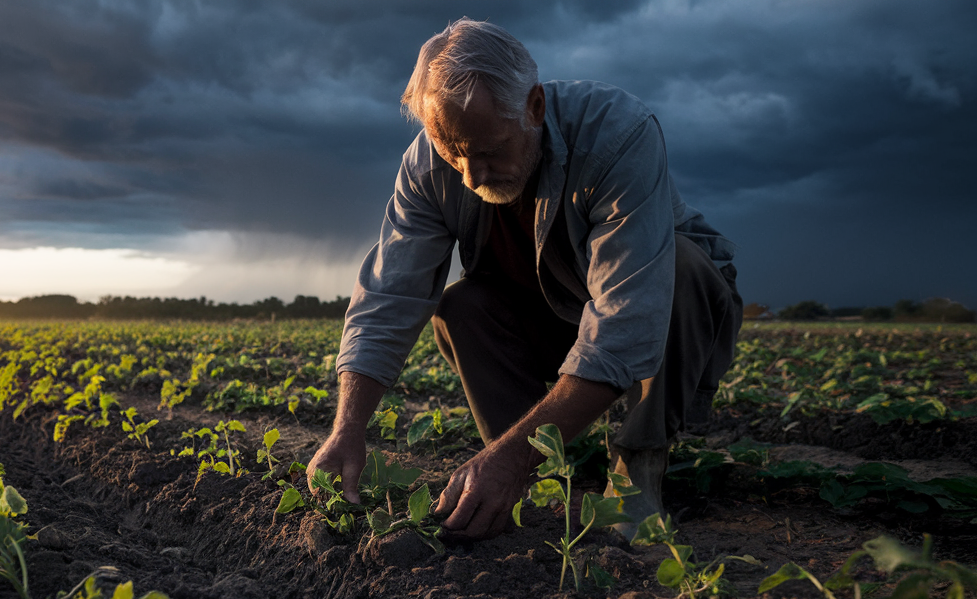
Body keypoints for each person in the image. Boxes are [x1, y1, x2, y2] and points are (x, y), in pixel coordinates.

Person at [306, 18, 742, 542]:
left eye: (489, 150)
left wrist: (506, 462)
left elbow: (627, 318)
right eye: (454, 152)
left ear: (533, 106)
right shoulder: (428, 168)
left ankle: (635, 471)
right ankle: (530, 463)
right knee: (462, 306)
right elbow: (388, 296)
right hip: (551, 318)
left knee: (681, 267)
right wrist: (347, 430)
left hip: (660, 314)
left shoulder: (617, 134)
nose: (472, 175)